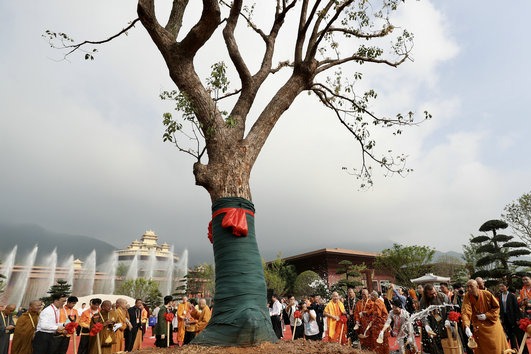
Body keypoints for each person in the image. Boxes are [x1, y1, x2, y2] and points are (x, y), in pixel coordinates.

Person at [461, 279, 508, 353]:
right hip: (479, 327)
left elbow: (497, 307)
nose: (469, 289)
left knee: (496, 347)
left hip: (492, 325)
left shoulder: (486, 294)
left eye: (471, 286)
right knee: (482, 349)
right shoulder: (467, 296)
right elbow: (465, 311)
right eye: (467, 287)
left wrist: (487, 315)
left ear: (477, 286)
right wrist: (466, 325)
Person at [418, 283, 449, 353]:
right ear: (426, 294)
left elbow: (450, 310)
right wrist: (426, 324)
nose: (434, 295)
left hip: (445, 325)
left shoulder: (443, 297)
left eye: (435, 293)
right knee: (434, 348)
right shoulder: (423, 301)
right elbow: (423, 315)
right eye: (431, 294)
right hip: (432, 326)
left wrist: (448, 320)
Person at [499, 282, 527, 353]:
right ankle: (514, 351)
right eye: (500, 286)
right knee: (511, 336)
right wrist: (501, 318)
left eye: (503, 286)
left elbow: (516, 308)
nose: (501, 288)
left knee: (519, 336)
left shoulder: (512, 296)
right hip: (505, 318)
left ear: (507, 287)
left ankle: (524, 352)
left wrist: (518, 319)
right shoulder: (500, 296)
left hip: (514, 318)